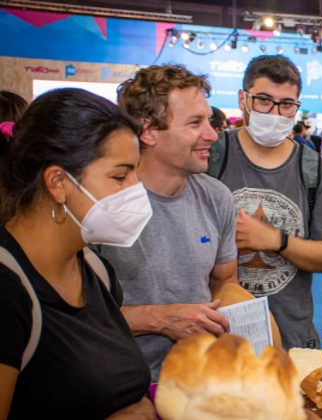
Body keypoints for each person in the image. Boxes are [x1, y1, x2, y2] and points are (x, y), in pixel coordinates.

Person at [0, 88, 154, 418]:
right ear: (58, 182)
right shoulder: (7, 290)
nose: (136, 190)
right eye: (120, 176)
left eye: (136, 173)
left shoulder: (97, 271)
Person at [101, 65, 240, 381]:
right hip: (119, 387)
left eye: (208, 120)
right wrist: (158, 319)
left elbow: (225, 282)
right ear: (147, 130)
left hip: (199, 381)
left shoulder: (216, 197)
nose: (212, 134)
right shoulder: (103, 202)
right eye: (195, 123)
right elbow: (70, 317)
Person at [216, 54, 322, 349]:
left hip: (293, 338)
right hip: (220, 338)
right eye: (263, 100)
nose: (274, 113)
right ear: (243, 99)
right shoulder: (213, 157)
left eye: (286, 104)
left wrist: (275, 239)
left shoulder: (313, 169)